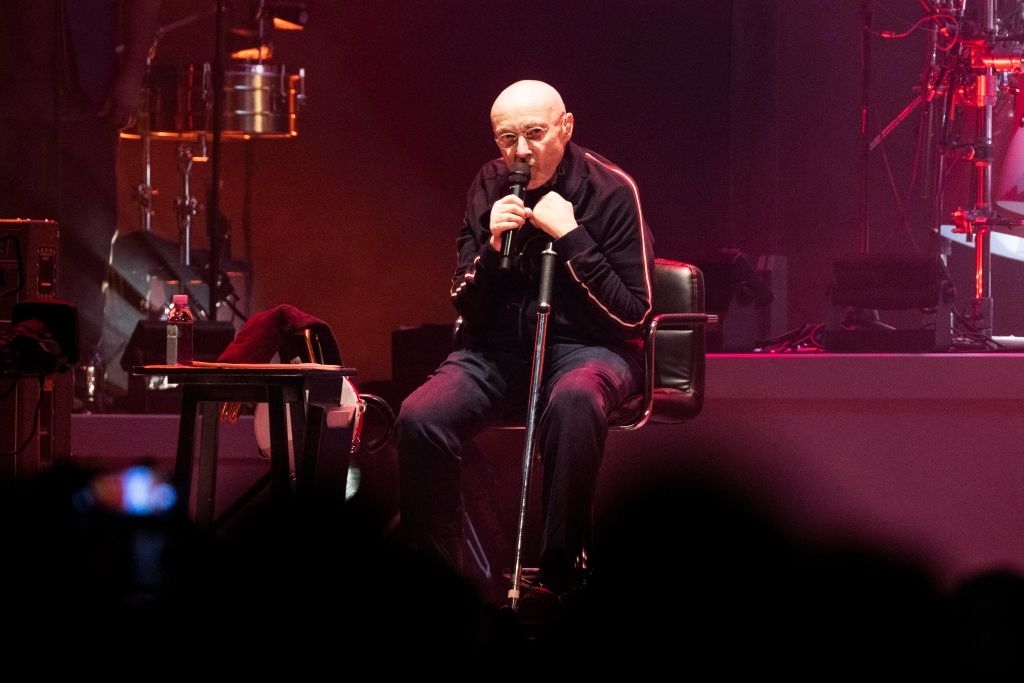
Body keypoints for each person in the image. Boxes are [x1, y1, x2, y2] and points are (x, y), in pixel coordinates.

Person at [394, 79, 656, 610]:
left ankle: (561, 574)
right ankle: (441, 588)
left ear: (566, 127)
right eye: (507, 138)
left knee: (575, 399)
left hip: (590, 348)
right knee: (419, 417)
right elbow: (464, 303)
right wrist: (491, 250)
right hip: (499, 353)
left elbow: (635, 311)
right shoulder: (487, 185)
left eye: (535, 134)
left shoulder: (611, 189)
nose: (520, 151)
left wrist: (573, 238)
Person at [0, 0, 162, 409]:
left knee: (86, 237)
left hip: (86, 96)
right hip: (13, 96)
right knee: (12, 244)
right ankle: (13, 381)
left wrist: (131, 75)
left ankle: (71, 382)